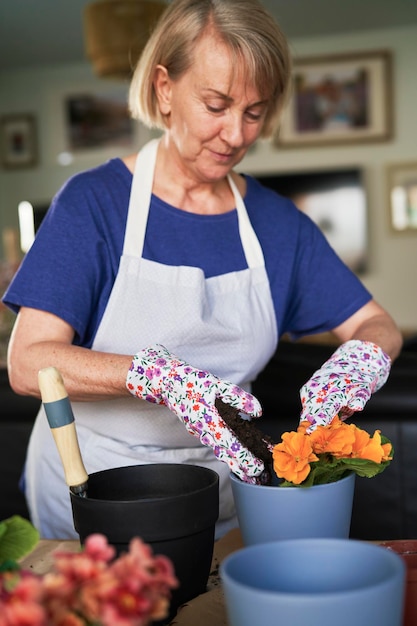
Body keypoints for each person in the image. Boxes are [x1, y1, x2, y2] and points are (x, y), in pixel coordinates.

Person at [3, 0, 402, 540]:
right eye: (216, 105)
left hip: (223, 500)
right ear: (165, 89)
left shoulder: (278, 225)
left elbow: (376, 325)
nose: (236, 135)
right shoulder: (94, 203)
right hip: (93, 490)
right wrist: (155, 377)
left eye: (254, 112)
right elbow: (28, 364)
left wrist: (360, 359)